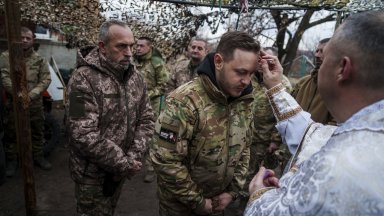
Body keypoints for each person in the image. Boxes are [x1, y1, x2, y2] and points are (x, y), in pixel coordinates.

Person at [245, 10, 384, 215]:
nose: (318, 60)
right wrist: (275, 87)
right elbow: (312, 136)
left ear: (342, 68)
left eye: (325, 57)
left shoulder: (335, 172)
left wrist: (261, 195)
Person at [150, 31, 261, 215]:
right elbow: (165, 160)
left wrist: (231, 193)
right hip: (180, 206)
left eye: (251, 73)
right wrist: (198, 202)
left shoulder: (244, 100)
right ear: (218, 62)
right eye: (241, 72)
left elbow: (245, 147)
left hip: (218, 203)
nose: (246, 81)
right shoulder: (184, 101)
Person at [66, 20, 155, 215]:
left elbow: (147, 118)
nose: (129, 52)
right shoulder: (81, 79)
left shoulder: (136, 78)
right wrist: (124, 163)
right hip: (92, 176)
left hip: (120, 172)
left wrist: (133, 156)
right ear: (102, 47)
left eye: (131, 45)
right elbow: (81, 132)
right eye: (121, 46)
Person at [0, 26, 52, 176]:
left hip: (34, 104)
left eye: (28, 38)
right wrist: (19, 95)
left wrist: (30, 95)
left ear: (32, 40)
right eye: (21, 37)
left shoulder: (40, 60)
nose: (24, 40)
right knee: (12, 134)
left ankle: (38, 157)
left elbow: (45, 79)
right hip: (14, 104)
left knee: (37, 132)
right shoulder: (6, 57)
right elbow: (4, 77)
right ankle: (12, 161)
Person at [133, 36, 169, 183]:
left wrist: (147, 95)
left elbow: (164, 85)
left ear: (150, 47)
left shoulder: (157, 62)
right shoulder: (134, 61)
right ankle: (134, 162)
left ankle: (150, 168)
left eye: (142, 46)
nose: (138, 48)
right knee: (135, 132)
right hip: (135, 104)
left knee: (153, 136)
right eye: (137, 45)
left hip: (152, 105)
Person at [291, 38, 335, 124]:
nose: (317, 55)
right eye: (317, 51)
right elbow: (287, 110)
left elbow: (336, 125)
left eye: (322, 51)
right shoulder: (303, 82)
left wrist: (309, 134)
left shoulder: (338, 88)